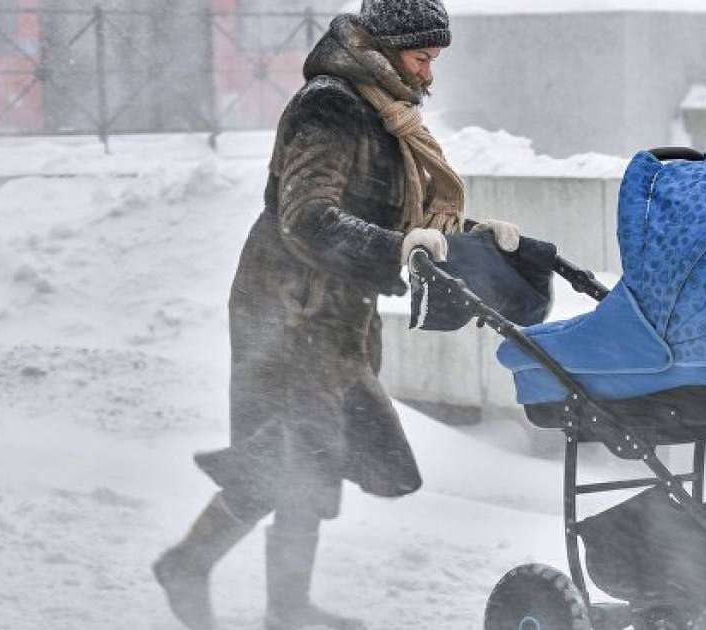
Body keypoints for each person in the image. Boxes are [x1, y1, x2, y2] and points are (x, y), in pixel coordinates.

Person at [152, 1, 519, 629]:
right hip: (289, 308)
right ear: (386, 48)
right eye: (421, 57)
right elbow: (307, 217)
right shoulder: (331, 106)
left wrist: (475, 238)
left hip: (335, 310)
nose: (428, 74)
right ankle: (191, 564)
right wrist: (397, 247)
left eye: (433, 60)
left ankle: (285, 606)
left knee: (314, 454)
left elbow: (393, 214)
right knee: (287, 451)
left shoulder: (381, 110)